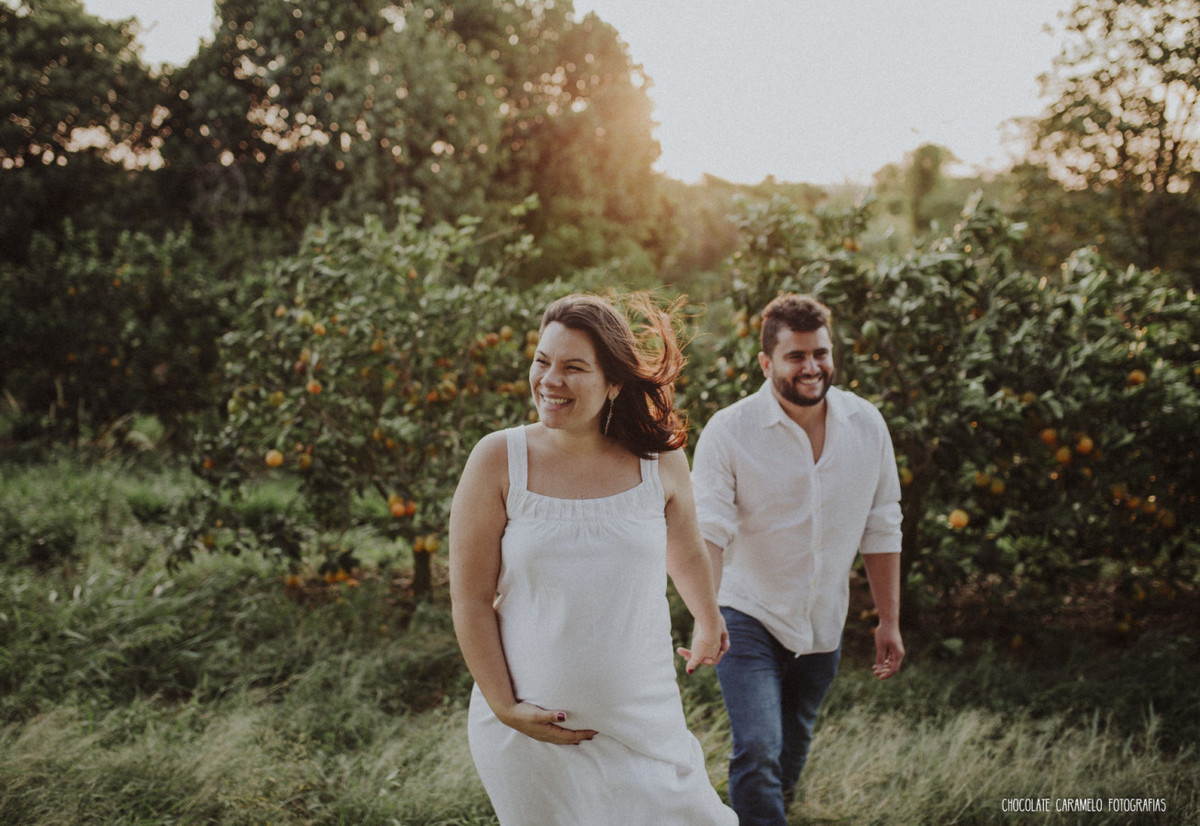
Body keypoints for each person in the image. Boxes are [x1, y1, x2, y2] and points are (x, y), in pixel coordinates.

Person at [449, 292, 738, 825]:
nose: (549, 380)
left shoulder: (659, 460)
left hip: (644, 727)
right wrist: (505, 709)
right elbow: (469, 599)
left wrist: (707, 617)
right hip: (530, 736)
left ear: (614, 383)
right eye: (542, 361)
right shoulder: (497, 459)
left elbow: (685, 548)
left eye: (573, 368)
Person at [691, 293, 905, 826]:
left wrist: (889, 620)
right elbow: (708, 530)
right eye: (796, 356)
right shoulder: (729, 430)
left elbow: (882, 525)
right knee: (758, 747)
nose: (812, 367)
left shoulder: (867, 424)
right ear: (766, 363)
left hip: (822, 620)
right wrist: (706, 617)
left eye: (820, 353)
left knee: (791, 744)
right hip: (746, 613)